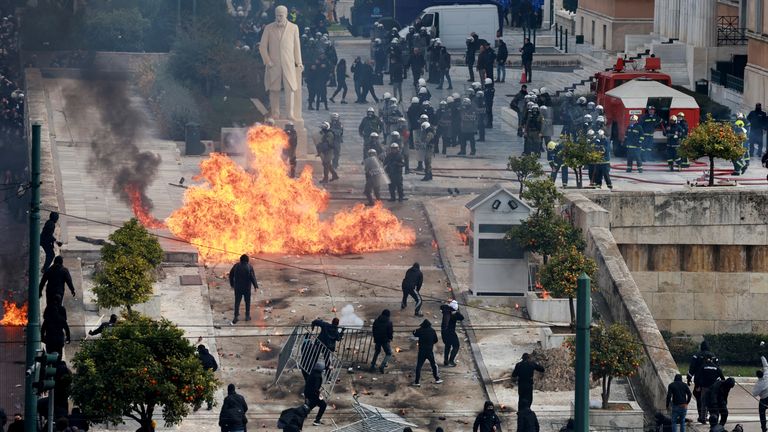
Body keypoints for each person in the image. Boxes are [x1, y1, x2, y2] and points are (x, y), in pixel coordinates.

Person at [258, 5, 304, 121]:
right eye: (277, 15)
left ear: (286, 15)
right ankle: (275, 113)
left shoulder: (294, 28)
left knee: (290, 88)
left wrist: (298, 62)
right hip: (274, 64)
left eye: (281, 15)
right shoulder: (268, 28)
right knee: (274, 89)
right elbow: (262, 47)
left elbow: (296, 47)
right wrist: (268, 61)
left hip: (288, 63)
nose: (279, 18)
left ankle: (290, 113)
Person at [229, 254, 259, 325]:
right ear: (247, 260)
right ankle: (247, 316)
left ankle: (236, 317)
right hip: (247, 288)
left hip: (238, 288)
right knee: (247, 302)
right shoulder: (249, 267)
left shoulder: (236, 266)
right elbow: (252, 277)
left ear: (240, 260)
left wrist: (232, 284)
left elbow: (231, 275)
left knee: (237, 302)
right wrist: (255, 286)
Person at [411, 319, 442, 386]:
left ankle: (417, 382)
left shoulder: (420, 330)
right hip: (429, 351)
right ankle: (437, 379)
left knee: (419, 366)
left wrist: (418, 329)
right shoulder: (432, 331)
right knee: (433, 365)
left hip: (421, 351)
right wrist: (431, 343)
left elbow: (414, 333)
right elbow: (436, 340)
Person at [440, 300, 464, 367]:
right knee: (456, 346)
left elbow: (442, 306)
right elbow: (462, 318)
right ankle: (451, 360)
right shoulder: (454, 315)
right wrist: (455, 312)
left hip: (443, 332)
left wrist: (448, 305)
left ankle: (446, 361)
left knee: (447, 346)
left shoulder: (445, 311)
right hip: (451, 332)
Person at [370, 309, 394, 373]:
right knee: (388, 353)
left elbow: (373, 329)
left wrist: (375, 337)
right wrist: (390, 338)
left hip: (377, 339)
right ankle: (382, 366)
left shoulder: (376, 320)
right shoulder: (389, 322)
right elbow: (390, 332)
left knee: (377, 351)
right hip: (385, 340)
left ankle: (372, 365)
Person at [305, 361, 328, 426]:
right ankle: (317, 420)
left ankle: (300, 416)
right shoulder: (317, 376)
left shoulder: (313, 372)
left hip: (308, 392)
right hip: (313, 394)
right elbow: (315, 387)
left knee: (311, 405)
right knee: (323, 405)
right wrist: (319, 394)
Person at [197, 345, 219, 410]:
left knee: (199, 390)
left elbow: (196, 366)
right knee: (209, 390)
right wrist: (211, 371)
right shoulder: (211, 356)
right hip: (209, 376)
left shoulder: (199, 357)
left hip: (201, 376)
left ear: (199, 350)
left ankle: (198, 404)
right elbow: (216, 366)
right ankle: (209, 405)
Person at [753, 356, 768, 432]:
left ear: (757, 376)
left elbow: (754, 394)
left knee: (762, 415)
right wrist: (762, 356)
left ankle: (764, 429)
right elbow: (765, 365)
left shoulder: (758, 384)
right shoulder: (767, 375)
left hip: (764, 400)